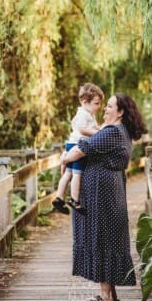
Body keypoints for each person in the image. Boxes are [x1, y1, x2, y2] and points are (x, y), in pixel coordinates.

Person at [60, 92, 147, 301]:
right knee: (107, 237)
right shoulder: (122, 131)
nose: (105, 109)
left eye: (109, 106)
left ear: (120, 112)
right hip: (109, 191)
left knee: (101, 237)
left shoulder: (111, 132)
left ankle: (105, 297)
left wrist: (65, 157)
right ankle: (111, 294)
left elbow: (78, 151)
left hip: (101, 194)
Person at [52, 83, 104, 215]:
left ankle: (59, 198)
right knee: (77, 174)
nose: (99, 106)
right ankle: (74, 200)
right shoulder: (84, 114)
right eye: (96, 103)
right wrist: (98, 134)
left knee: (68, 173)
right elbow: (83, 130)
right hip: (78, 146)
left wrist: (102, 129)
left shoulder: (87, 113)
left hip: (71, 144)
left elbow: (95, 126)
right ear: (85, 102)